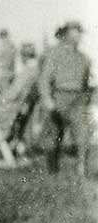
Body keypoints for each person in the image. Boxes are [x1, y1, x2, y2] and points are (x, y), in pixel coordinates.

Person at [38, 21, 92, 175]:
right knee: (54, 134)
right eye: (74, 32)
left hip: (78, 99)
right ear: (65, 35)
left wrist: (87, 99)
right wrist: (48, 100)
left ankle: (82, 171)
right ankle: (52, 172)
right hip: (59, 97)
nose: (78, 36)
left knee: (83, 133)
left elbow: (87, 82)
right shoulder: (55, 54)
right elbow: (44, 79)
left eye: (79, 33)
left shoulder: (84, 58)